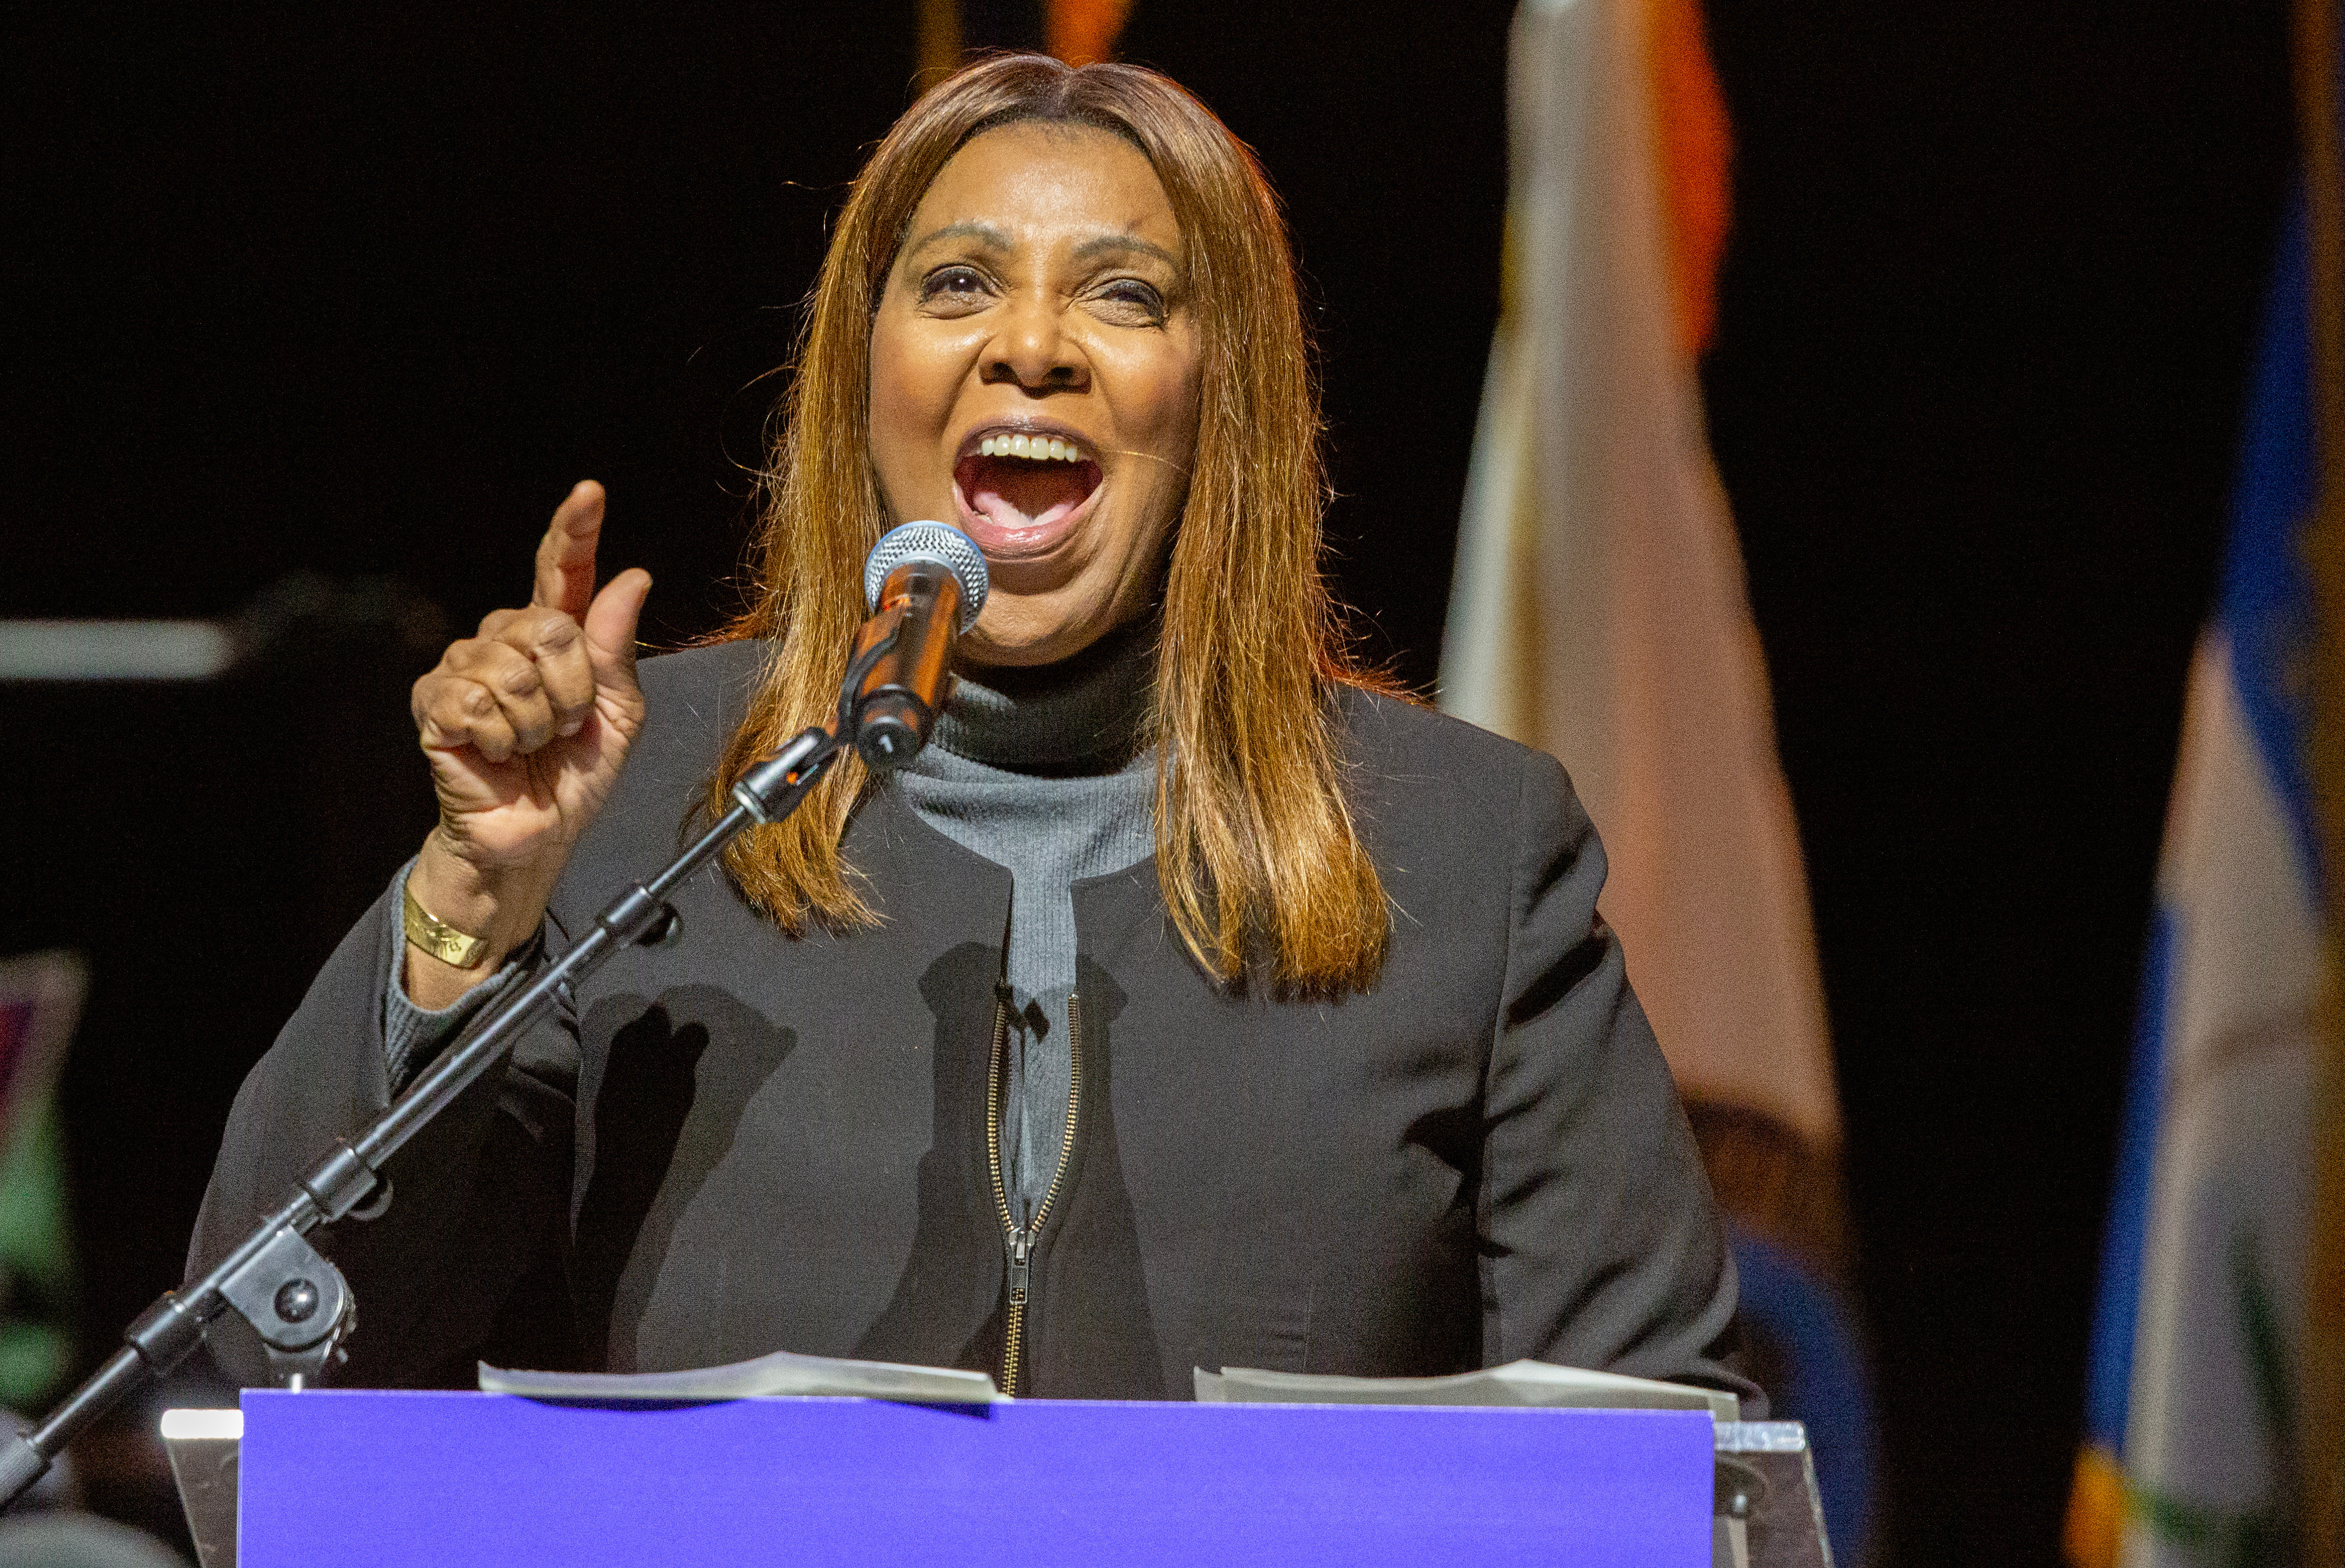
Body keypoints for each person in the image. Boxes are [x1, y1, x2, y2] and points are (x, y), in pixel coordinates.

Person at [189, 54, 1755, 1405]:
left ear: (1222, 398)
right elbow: (285, 1356)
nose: (1031, 345)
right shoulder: (641, 802)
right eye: (956, 283)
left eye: (1124, 295)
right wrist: (474, 904)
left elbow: (1654, 1457)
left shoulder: (1461, 851)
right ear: (863, 373)